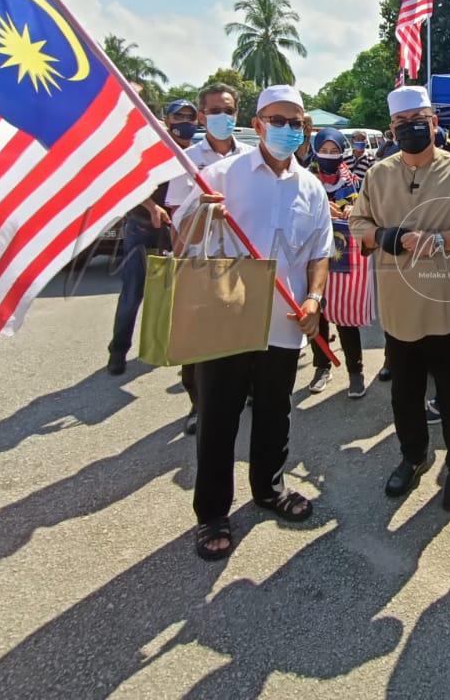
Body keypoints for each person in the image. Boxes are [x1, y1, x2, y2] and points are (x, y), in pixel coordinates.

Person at [173, 85, 333, 561]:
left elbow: (320, 251)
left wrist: (314, 299)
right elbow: (182, 243)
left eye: (296, 122)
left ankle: (268, 487)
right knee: (218, 419)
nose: (288, 129)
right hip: (226, 319)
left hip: (283, 321)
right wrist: (204, 217)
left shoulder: (310, 187)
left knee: (274, 412)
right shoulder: (220, 175)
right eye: (278, 119)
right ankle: (213, 514)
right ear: (259, 123)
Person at [349, 85, 450, 511]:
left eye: (418, 119)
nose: (410, 127)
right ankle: (413, 457)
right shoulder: (378, 174)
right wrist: (384, 236)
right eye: (401, 122)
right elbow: (358, 222)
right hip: (399, 311)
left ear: (434, 122)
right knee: (405, 395)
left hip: (449, 309)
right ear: (392, 128)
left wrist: (439, 240)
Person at [106, 99, 199, 378]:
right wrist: (151, 206)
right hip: (142, 226)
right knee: (133, 293)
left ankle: (166, 345)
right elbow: (129, 181)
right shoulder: (151, 147)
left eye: (190, 117)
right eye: (178, 116)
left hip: (175, 231)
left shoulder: (194, 153)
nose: (185, 122)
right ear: (166, 120)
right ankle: (118, 351)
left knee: (175, 294)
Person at [308, 127, 372, 399]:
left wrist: (350, 210)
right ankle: (322, 366)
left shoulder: (351, 179)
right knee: (317, 313)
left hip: (342, 253)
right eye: (324, 150)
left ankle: (355, 372)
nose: (329, 155)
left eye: (335, 151)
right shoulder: (305, 178)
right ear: (315, 149)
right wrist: (322, 206)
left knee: (345, 316)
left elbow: (362, 210)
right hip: (311, 255)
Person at [165, 83, 251, 212]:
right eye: (215, 111)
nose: (223, 116)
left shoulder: (252, 156)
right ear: (201, 117)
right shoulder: (186, 160)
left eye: (229, 111)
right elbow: (178, 218)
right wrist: (202, 210)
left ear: (235, 115)